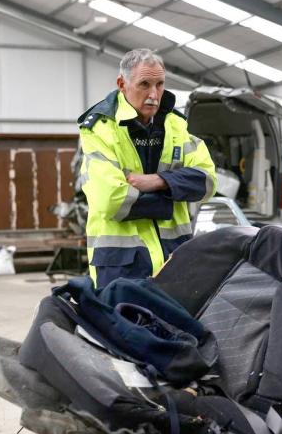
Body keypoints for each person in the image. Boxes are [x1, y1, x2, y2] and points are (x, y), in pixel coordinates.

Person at [77, 49, 216, 287]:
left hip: (175, 259)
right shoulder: (100, 129)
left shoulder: (175, 125)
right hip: (121, 265)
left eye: (159, 84)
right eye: (144, 84)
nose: (154, 94)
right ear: (122, 84)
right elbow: (112, 199)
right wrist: (172, 198)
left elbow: (207, 182)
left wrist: (158, 181)